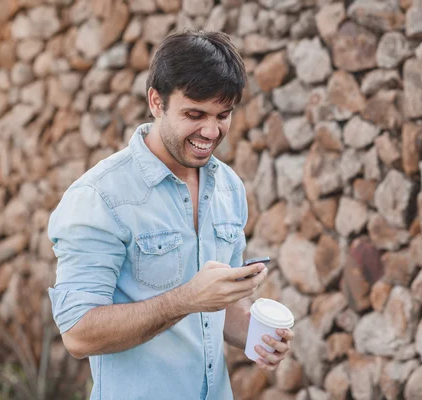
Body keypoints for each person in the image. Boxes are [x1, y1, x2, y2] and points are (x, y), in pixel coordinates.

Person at [47, 30, 294, 400]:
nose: (210, 131)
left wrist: (256, 333)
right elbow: (78, 333)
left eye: (222, 115)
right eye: (194, 114)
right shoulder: (99, 196)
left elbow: (218, 306)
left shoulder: (228, 187)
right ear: (156, 102)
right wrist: (187, 299)